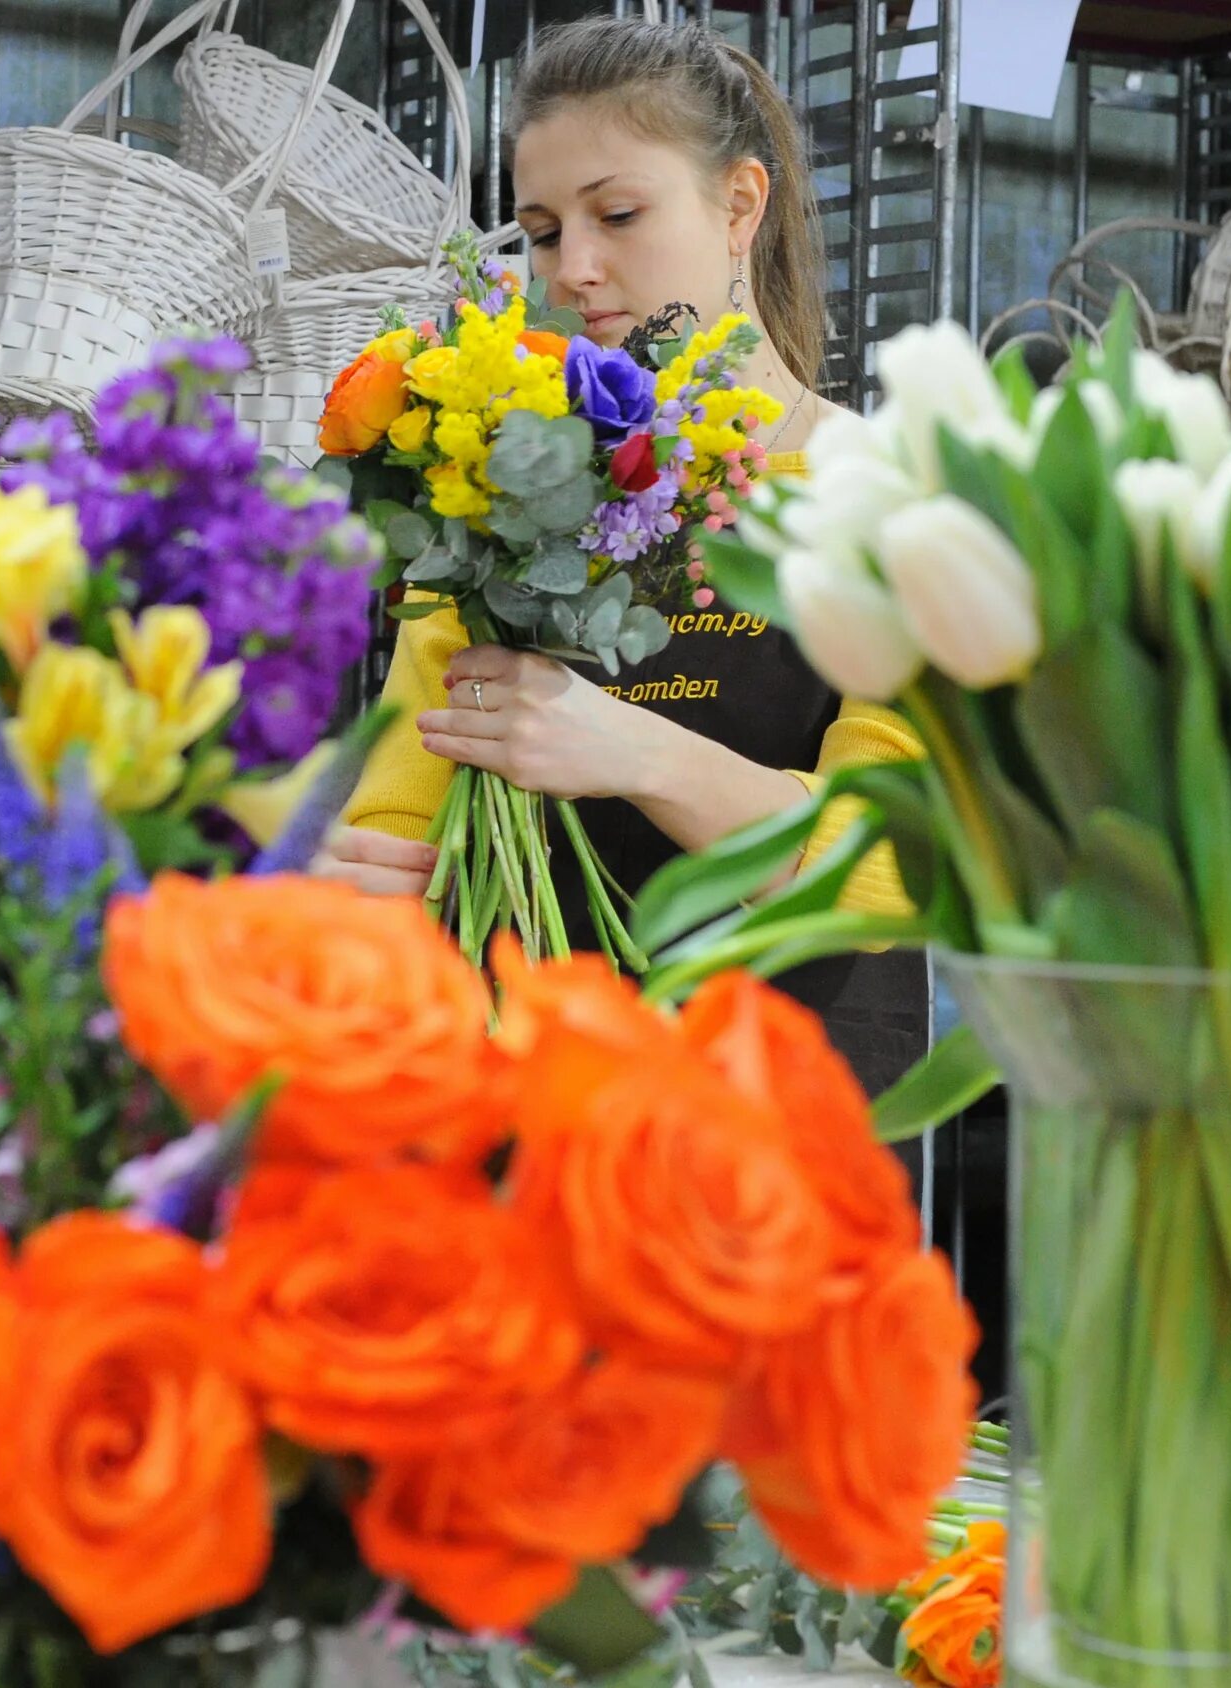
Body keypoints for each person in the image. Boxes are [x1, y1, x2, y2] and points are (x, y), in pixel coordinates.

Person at [318, 16, 931, 1089]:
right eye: (546, 231)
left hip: (773, 1153)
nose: (578, 270)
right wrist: (355, 872)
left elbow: (889, 869)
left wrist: (628, 750)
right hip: (525, 1118)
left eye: (619, 213)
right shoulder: (498, 492)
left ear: (741, 203)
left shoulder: (891, 499)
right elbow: (400, 813)